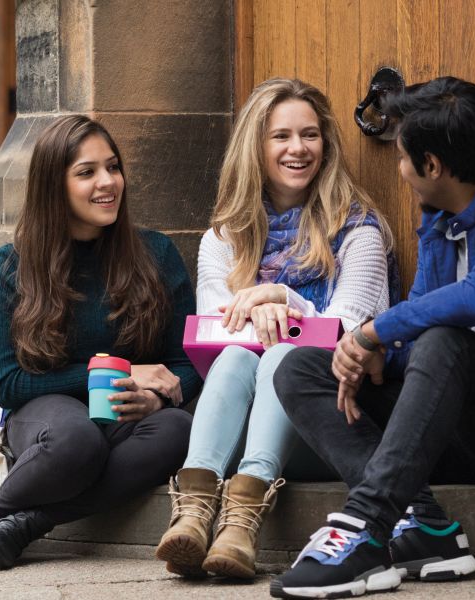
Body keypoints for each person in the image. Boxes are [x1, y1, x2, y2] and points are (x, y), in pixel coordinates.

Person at [270, 77, 475, 599]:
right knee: (301, 367)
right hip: (443, 422)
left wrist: (376, 331)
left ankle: (365, 526)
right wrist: (378, 352)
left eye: (402, 158)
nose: (399, 171)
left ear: (433, 166)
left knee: (443, 339)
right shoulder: (441, 218)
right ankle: (425, 525)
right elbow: (420, 309)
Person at [0, 114, 202, 571]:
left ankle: (24, 523)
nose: (107, 182)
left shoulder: (156, 253)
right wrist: (111, 371)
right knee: (75, 440)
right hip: (47, 415)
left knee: (179, 430)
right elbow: (7, 383)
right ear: (55, 185)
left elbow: (185, 362)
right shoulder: (16, 264)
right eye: (86, 172)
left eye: (113, 167)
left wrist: (159, 395)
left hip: (127, 417)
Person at [155, 78, 396, 580]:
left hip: (327, 422)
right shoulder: (224, 238)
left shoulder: (360, 232)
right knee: (239, 356)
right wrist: (280, 316)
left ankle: (242, 522)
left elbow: (350, 333)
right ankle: (195, 513)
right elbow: (218, 335)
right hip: (234, 434)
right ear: (255, 146)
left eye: (310, 135)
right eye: (280, 136)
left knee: (286, 359)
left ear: (325, 144)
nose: (298, 148)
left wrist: (284, 300)